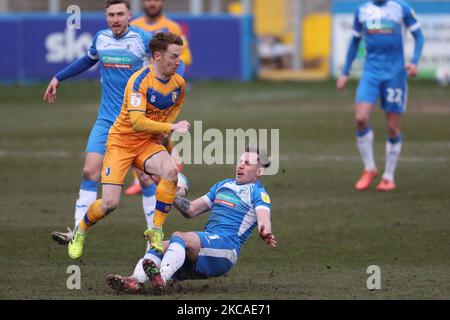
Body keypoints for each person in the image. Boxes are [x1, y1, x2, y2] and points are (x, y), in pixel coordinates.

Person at [67, 32, 191, 260]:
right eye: (174, 56)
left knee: (171, 172)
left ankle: (155, 231)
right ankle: (80, 231)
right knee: (109, 203)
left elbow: (174, 108)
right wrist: (171, 128)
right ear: (157, 56)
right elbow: (137, 121)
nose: (178, 61)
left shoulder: (178, 84)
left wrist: (164, 134)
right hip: (121, 144)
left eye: (179, 56)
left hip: (147, 143)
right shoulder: (138, 81)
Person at [45, 0, 160, 244]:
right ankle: (76, 231)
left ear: (130, 15)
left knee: (145, 177)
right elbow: (88, 60)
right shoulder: (101, 38)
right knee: (89, 171)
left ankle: (154, 235)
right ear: (106, 17)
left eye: (120, 14)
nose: (115, 19)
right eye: (111, 14)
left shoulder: (144, 40)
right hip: (107, 119)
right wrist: (58, 77)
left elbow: (170, 63)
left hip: (135, 121)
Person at [105, 148, 278, 294]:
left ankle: (162, 278)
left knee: (179, 236)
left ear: (259, 172)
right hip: (209, 244)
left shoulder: (258, 193)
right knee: (157, 246)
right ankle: (135, 281)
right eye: (240, 160)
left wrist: (265, 231)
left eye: (247, 163)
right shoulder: (223, 185)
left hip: (226, 247)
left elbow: (264, 218)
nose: (240, 165)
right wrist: (170, 194)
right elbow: (191, 210)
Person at [336, 0, 424, 192]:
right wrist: (345, 72)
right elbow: (354, 41)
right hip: (371, 74)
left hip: (395, 75)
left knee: (392, 127)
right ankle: (369, 168)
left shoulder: (402, 8)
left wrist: (415, 61)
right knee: (360, 119)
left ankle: (388, 176)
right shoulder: (362, 11)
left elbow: (419, 36)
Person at [125, 0, 193, 196]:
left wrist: (172, 78)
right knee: (134, 133)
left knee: (162, 135)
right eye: (148, 0)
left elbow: (184, 57)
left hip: (162, 90)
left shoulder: (172, 27)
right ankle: (143, 179)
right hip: (141, 88)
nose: (151, 3)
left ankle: (171, 172)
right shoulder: (135, 27)